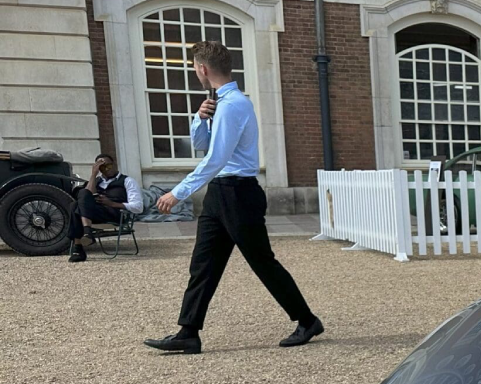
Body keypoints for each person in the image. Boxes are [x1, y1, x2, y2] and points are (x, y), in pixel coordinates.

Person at [145, 40, 322, 355]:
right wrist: (200, 118)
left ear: (202, 69)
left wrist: (177, 192)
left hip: (238, 193)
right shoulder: (219, 103)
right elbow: (202, 145)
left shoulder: (233, 105)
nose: (195, 72)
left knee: (262, 262)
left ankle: (307, 321)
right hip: (221, 193)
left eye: (194, 68)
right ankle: (188, 332)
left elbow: (215, 159)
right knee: (203, 264)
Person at [67, 152, 143, 262]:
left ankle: (78, 248)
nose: (107, 169)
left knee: (75, 207)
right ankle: (87, 232)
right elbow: (87, 194)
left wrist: (112, 203)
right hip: (94, 213)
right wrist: (93, 175)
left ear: (114, 164)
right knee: (78, 200)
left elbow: (138, 207)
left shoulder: (127, 181)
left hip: (115, 213)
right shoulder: (96, 181)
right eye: (102, 167)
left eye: (109, 165)